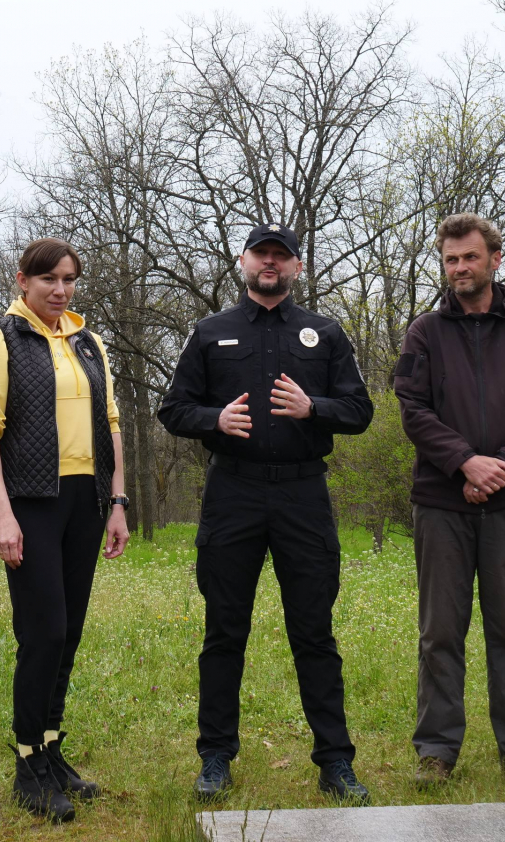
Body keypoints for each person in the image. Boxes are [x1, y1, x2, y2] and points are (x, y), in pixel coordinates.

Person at [158, 224, 374, 802]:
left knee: (315, 634)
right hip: (234, 494)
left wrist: (314, 408)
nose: (270, 264)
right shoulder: (210, 332)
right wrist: (214, 421)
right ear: (243, 260)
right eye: (262, 254)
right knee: (224, 632)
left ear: (297, 268)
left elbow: (360, 410)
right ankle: (215, 758)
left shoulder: (324, 333)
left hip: (303, 497)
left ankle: (335, 763)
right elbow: (173, 408)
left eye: (282, 256)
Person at [393, 213, 505, 790]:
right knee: (440, 631)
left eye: (469, 257)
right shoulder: (425, 333)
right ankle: (437, 751)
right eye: (451, 260)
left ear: (494, 260)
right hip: (442, 504)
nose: (460, 269)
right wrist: (464, 462)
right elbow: (412, 408)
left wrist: (501, 469)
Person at [0, 237, 131, 823]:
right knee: (43, 633)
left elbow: (110, 423)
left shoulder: (90, 344)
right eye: (48, 280)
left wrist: (117, 502)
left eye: (68, 280)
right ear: (22, 281)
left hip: (86, 503)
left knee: (70, 633)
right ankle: (27, 765)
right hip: (33, 503)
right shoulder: (0, 340)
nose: (59, 291)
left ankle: (52, 750)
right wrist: (3, 514)